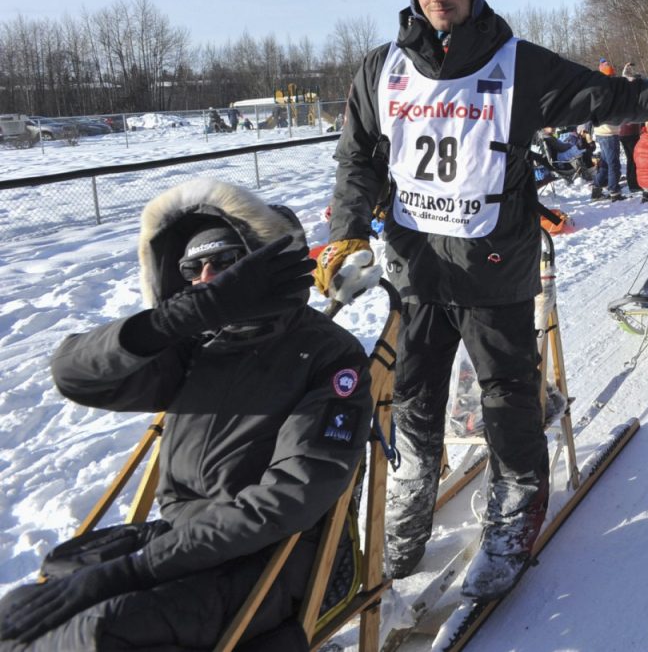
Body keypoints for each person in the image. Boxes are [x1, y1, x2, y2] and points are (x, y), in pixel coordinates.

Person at [315, 0, 648, 600]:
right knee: (413, 399)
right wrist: (348, 234)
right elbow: (357, 161)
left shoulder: (516, 65)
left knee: (507, 400)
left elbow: (611, 100)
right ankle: (405, 515)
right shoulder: (380, 69)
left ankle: (513, 517)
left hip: (493, 265)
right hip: (415, 268)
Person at [0, 178, 372, 651]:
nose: (206, 278)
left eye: (225, 264)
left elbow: (288, 499)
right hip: (184, 545)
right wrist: (174, 321)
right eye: (192, 269)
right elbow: (74, 376)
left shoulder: (328, 355)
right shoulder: (197, 347)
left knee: (97, 633)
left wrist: (137, 568)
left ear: (261, 268)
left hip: (278, 559)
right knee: (17, 618)